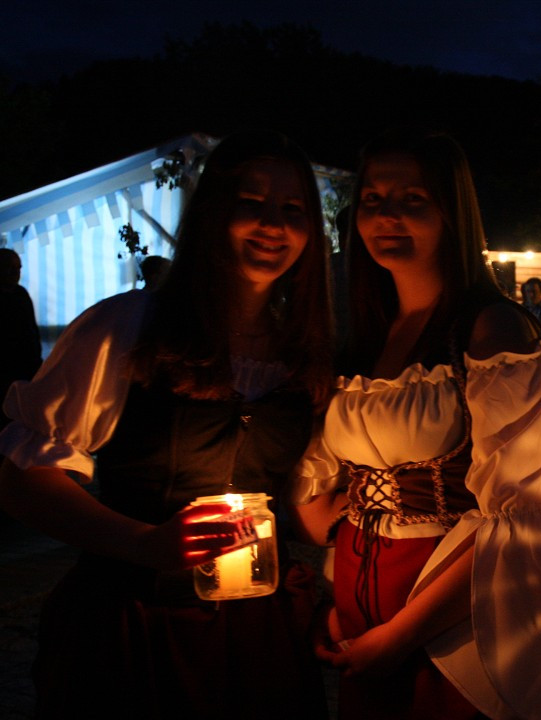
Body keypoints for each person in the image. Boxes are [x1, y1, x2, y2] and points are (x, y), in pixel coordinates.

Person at [0, 129, 334, 718]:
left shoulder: (302, 356)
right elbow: (24, 481)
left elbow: (305, 510)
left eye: (292, 210)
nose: (273, 225)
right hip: (135, 627)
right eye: (250, 203)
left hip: (257, 638)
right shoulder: (127, 328)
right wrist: (144, 543)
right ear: (211, 212)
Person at [293, 128, 541, 720]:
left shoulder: (490, 331)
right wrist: (341, 588)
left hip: (455, 623)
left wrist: (398, 636)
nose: (387, 216)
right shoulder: (366, 341)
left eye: (412, 200)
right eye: (372, 200)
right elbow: (317, 505)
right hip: (359, 610)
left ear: (452, 214)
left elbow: (515, 517)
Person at [0, 248, 42, 428]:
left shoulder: (21, 294)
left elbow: (32, 329)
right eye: (9, 267)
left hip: (25, 367)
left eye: (18, 268)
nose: (15, 272)